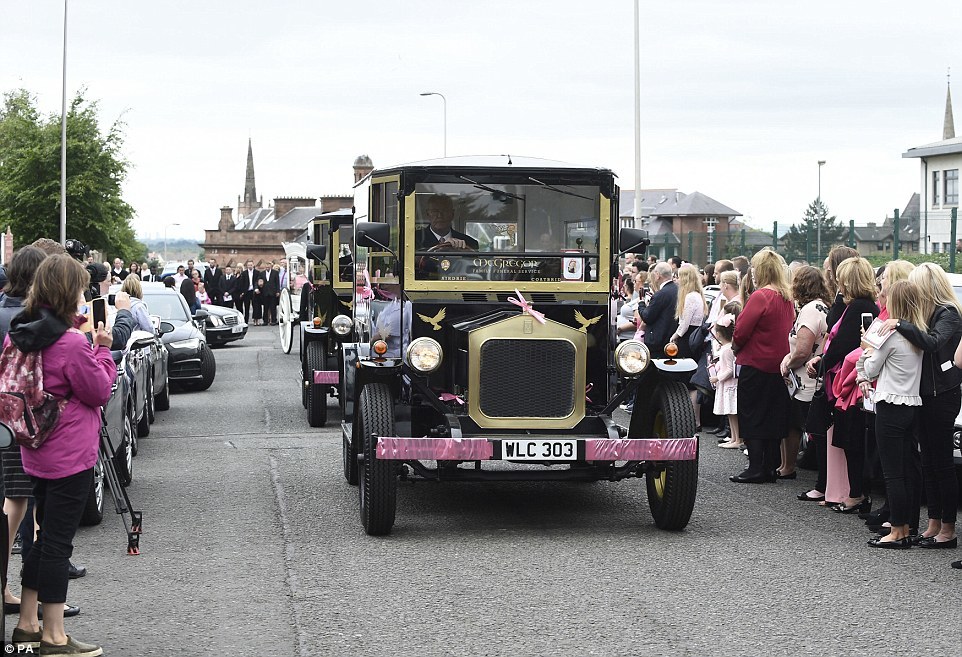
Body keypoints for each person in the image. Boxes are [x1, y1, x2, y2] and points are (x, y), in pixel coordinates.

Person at [7, 254, 114, 656]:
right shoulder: (69, 344)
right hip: (69, 455)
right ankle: (53, 635)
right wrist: (102, 350)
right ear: (70, 292)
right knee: (57, 543)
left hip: (33, 449)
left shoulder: (18, 334)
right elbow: (99, 391)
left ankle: (26, 624)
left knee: (39, 538)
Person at [882, 262, 962, 548]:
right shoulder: (927, 314)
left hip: (944, 396)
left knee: (941, 462)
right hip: (925, 395)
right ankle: (933, 523)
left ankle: (948, 529)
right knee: (929, 461)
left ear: (928, 286)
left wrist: (901, 324)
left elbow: (933, 343)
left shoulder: (949, 314)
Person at [856, 280, 925, 549]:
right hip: (912, 404)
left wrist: (866, 350)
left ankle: (897, 530)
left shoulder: (891, 336)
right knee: (908, 469)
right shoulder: (919, 334)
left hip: (889, 404)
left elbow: (870, 368)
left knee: (893, 472)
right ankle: (907, 525)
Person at [812, 256, 878, 512]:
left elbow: (843, 344)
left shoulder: (860, 306)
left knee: (851, 440)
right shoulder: (860, 305)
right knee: (849, 439)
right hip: (845, 379)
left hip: (849, 382)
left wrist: (822, 362)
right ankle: (852, 492)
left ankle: (855, 494)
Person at [730, 248, 794, 484]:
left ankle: (755, 467)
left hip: (756, 363)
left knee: (752, 415)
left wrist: (735, 347)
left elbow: (741, 330)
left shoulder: (761, 296)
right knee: (773, 417)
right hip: (778, 366)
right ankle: (769, 466)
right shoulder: (786, 297)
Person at [779, 265, 830, 483]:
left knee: (800, 425)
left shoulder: (810, 310)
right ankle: (788, 465)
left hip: (805, 382)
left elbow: (803, 350)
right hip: (809, 379)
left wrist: (788, 363)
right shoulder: (823, 307)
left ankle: (790, 467)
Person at [712, 303, 742, 449]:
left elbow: (730, 370)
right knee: (730, 413)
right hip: (727, 385)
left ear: (718, 334)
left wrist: (718, 378)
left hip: (730, 385)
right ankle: (734, 437)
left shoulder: (726, 350)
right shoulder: (726, 348)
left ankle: (737, 439)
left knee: (733, 413)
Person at [638, 262, 678, 356]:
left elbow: (647, 317)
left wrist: (641, 304)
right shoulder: (678, 289)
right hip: (673, 340)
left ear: (657, 275)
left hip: (658, 342)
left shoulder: (660, 294)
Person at [415, 194, 479, 251]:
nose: (440, 216)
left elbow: (473, 262)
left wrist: (461, 251)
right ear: (428, 214)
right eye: (435, 211)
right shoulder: (414, 239)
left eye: (444, 211)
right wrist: (443, 247)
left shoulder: (469, 242)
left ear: (452, 214)